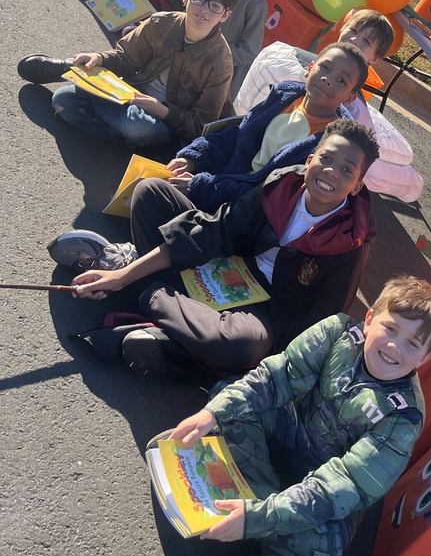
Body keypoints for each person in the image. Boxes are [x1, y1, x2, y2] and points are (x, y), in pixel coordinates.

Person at [147, 276, 431, 556]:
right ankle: (253, 510)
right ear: (370, 319)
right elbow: (276, 377)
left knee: (322, 545)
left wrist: (259, 517)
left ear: (425, 358)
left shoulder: (404, 419)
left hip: (325, 489)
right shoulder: (338, 331)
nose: (394, 346)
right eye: (391, 328)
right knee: (230, 398)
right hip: (288, 432)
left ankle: (231, 487)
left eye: (413, 344)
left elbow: (339, 488)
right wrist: (212, 414)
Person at [58, 119, 381, 381]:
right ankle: (158, 304)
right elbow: (218, 229)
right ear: (309, 160)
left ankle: (136, 283)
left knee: (239, 348)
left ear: (357, 187)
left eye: (347, 170)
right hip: (226, 266)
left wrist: (277, 367)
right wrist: (125, 276)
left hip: (264, 311)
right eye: (326, 158)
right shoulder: (280, 184)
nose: (331, 171)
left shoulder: (351, 240)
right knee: (151, 192)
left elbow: (322, 317)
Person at [17, 0, 237, 147]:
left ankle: (77, 76)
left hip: (163, 121)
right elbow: (124, 59)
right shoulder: (161, 22)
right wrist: (99, 59)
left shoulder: (221, 63)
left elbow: (200, 126)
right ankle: (122, 134)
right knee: (63, 100)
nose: (204, 9)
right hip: (128, 94)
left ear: (225, 15)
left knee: (137, 127)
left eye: (215, 5)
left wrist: (161, 109)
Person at [235, 9, 424, 202]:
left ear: (374, 59)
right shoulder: (292, 80)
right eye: (353, 30)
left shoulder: (353, 114)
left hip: (358, 139)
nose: (354, 40)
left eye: (366, 41)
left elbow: (361, 150)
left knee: (382, 169)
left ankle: (413, 187)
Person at [168, 40, 369, 212]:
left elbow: (270, 194)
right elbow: (237, 136)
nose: (328, 79)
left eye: (341, 80)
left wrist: (202, 188)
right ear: (310, 68)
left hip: (240, 212)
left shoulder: (330, 145)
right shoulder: (283, 97)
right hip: (219, 180)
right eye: (325, 67)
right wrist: (193, 157)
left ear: (350, 98)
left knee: (155, 194)